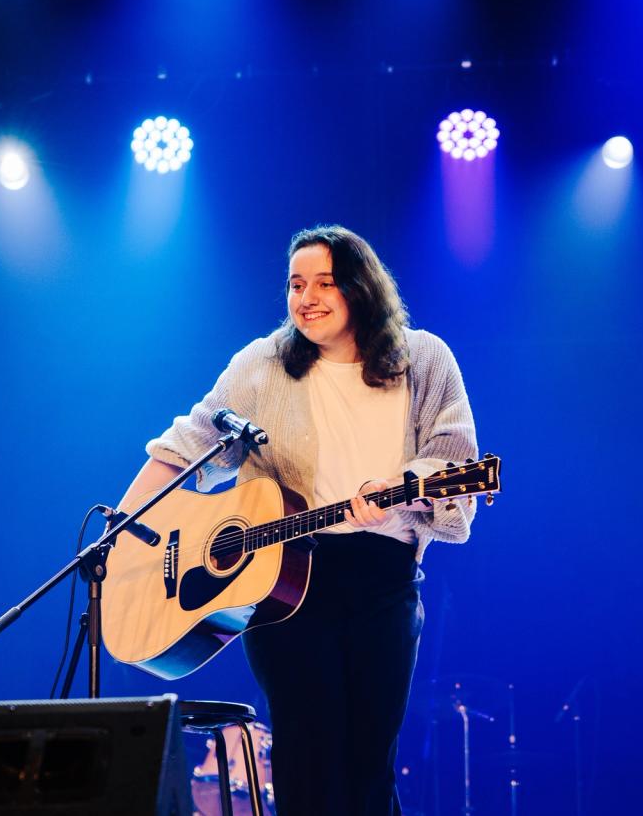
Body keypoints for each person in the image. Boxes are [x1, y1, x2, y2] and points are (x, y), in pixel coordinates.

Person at [120, 224, 479, 816]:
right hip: (282, 579)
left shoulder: (424, 358)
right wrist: (126, 530)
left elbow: (453, 460)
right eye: (295, 284)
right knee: (306, 758)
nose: (305, 298)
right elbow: (187, 445)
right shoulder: (262, 364)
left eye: (324, 283)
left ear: (361, 288)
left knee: (368, 761)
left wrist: (402, 487)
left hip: (382, 578)